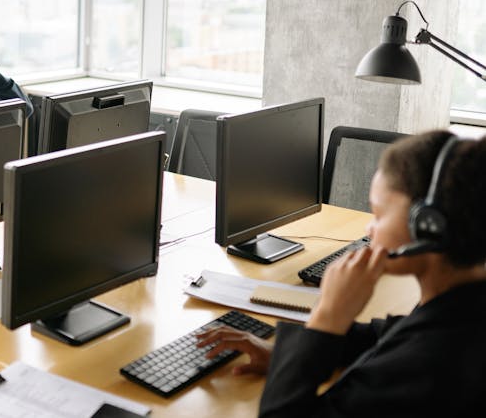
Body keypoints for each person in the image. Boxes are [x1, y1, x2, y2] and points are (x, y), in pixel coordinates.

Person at [195, 130, 486, 416]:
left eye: (380, 214)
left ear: (428, 225)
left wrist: (328, 316)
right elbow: (386, 334)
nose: (369, 229)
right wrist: (293, 357)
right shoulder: (462, 302)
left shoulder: (428, 366)